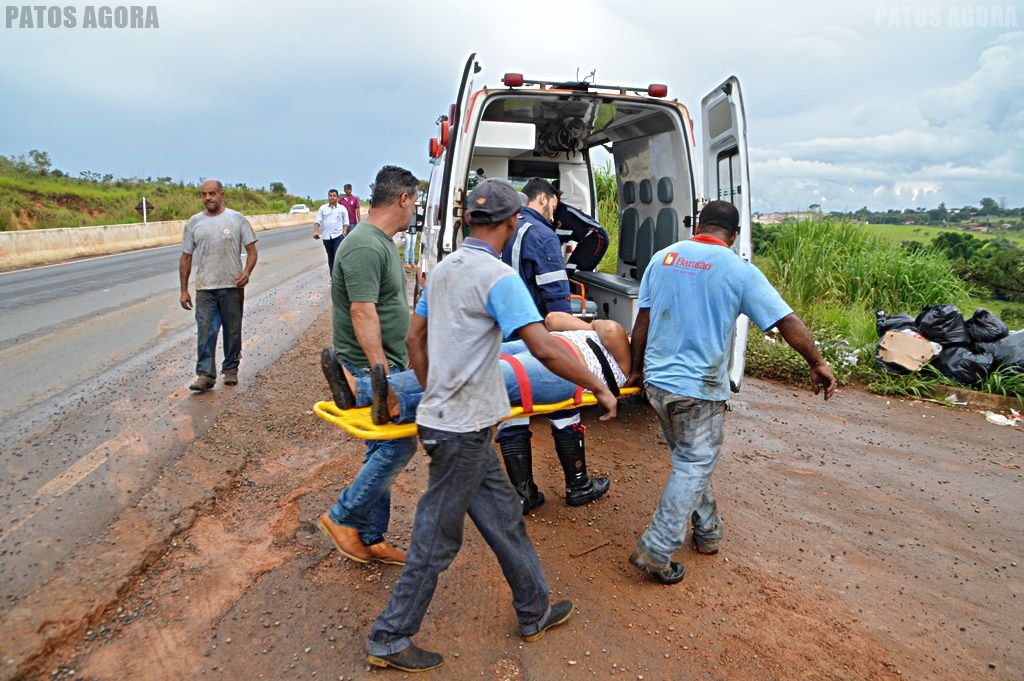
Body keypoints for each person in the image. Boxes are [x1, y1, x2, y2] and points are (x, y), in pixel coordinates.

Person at [363, 178, 618, 672]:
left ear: (467, 221)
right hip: (460, 432)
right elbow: (544, 345)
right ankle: (390, 637)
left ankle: (534, 609)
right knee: (436, 541)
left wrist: (434, 388)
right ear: (510, 223)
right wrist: (598, 386)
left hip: (466, 427)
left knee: (505, 520)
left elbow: (416, 340)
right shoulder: (499, 278)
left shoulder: (442, 271)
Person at [627, 200, 837, 585]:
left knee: (691, 460)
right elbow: (786, 321)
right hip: (699, 390)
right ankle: (657, 549)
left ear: (699, 226)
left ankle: (707, 531)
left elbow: (643, 319)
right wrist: (817, 362)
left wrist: (636, 371)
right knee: (694, 463)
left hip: (657, 384)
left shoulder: (664, 258)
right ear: (734, 235)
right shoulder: (738, 270)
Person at [317, 166, 420, 566]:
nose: (414, 210)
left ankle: (372, 537)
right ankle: (342, 517)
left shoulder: (381, 242)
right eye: (414, 202)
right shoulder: (364, 245)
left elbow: (388, 308)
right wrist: (383, 380)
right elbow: (362, 312)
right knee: (398, 444)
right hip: (368, 367)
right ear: (403, 199)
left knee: (381, 449)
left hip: (383, 365)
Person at [499, 178, 609, 513]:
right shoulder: (542, 235)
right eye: (555, 206)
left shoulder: (505, 227)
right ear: (545, 199)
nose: (555, 213)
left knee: (514, 412)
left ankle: (524, 493)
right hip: (537, 337)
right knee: (567, 402)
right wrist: (587, 330)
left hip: (505, 335)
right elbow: (558, 310)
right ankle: (578, 484)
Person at [322, 311, 630, 426]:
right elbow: (552, 320)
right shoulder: (611, 337)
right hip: (546, 347)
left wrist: (591, 326)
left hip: (568, 372)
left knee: (482, 377)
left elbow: (611, 329)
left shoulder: (628, 356)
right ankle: (360, 390)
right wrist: (590, 326)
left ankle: (399, 403)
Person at [179, 179, 258, 392]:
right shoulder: (194, 223)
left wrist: (246, 272)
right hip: (205, 288)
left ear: (221, 194)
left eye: (212, 194)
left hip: (232, 286)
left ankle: (231, 368)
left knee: (232, 331)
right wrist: (184, 289)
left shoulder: (236, 219)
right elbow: (186, 257)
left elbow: (252, 251)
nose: (208, 198)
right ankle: (205, 374)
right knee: (205, 331)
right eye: (204, 194)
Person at [553, 201, 610, 274]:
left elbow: (555, 241)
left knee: (576, 273)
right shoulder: (557, 213)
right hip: (585, 240)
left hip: (597, 236)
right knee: (570, 269)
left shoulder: (562, 213)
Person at [313, 188, 351, 276]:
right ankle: (333, 277)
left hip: (338, 236)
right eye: (330, 196)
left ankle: (340, 276)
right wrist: (315, 231)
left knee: (338, 256)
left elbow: (346, 222)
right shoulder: (322, 208)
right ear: (328, 197)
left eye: (334, 196)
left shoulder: (342, 208)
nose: (332, 197)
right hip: (326, 238)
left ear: (337, 197)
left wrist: (344, 231)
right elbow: (317, 221)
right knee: (330, 258)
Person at [402, 201, 418, 271]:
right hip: (407, 232)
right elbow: (403, 222)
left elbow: (419, 222)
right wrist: (403, 233)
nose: (414, 209)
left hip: (414, 232)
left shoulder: (416, 215)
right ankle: (406, 263)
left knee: (412, 247)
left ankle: (412, 262)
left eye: (415, 207)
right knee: (407, 247)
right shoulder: (406, 213)